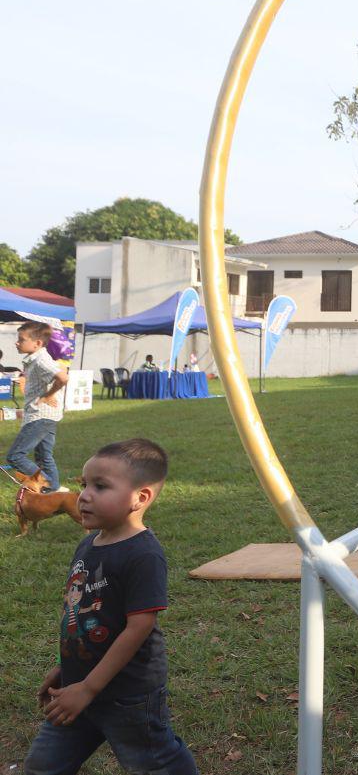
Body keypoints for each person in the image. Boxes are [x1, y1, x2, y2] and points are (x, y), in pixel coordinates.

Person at [21, 438, 198, 775]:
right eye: (83, 484)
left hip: (127, 694)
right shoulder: (88, 543)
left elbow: (139, 627)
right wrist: (66, 668)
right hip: (77, 686)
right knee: (42, 766)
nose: (84, 495)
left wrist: (89, 687)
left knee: (154, 762)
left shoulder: (143, 554)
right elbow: (79, 612)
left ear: (140, 498)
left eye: (100, 486)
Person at [6, 321, 69, 492]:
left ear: (37, 343)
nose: (17, 342)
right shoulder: (36, 359)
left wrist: (47, 395)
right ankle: (53, 491)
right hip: (46, 415)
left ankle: (48, 485)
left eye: (21, 339)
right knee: (44, 457)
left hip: (40, 416)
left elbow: (62, 377)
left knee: (15, 456)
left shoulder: (41, 360)